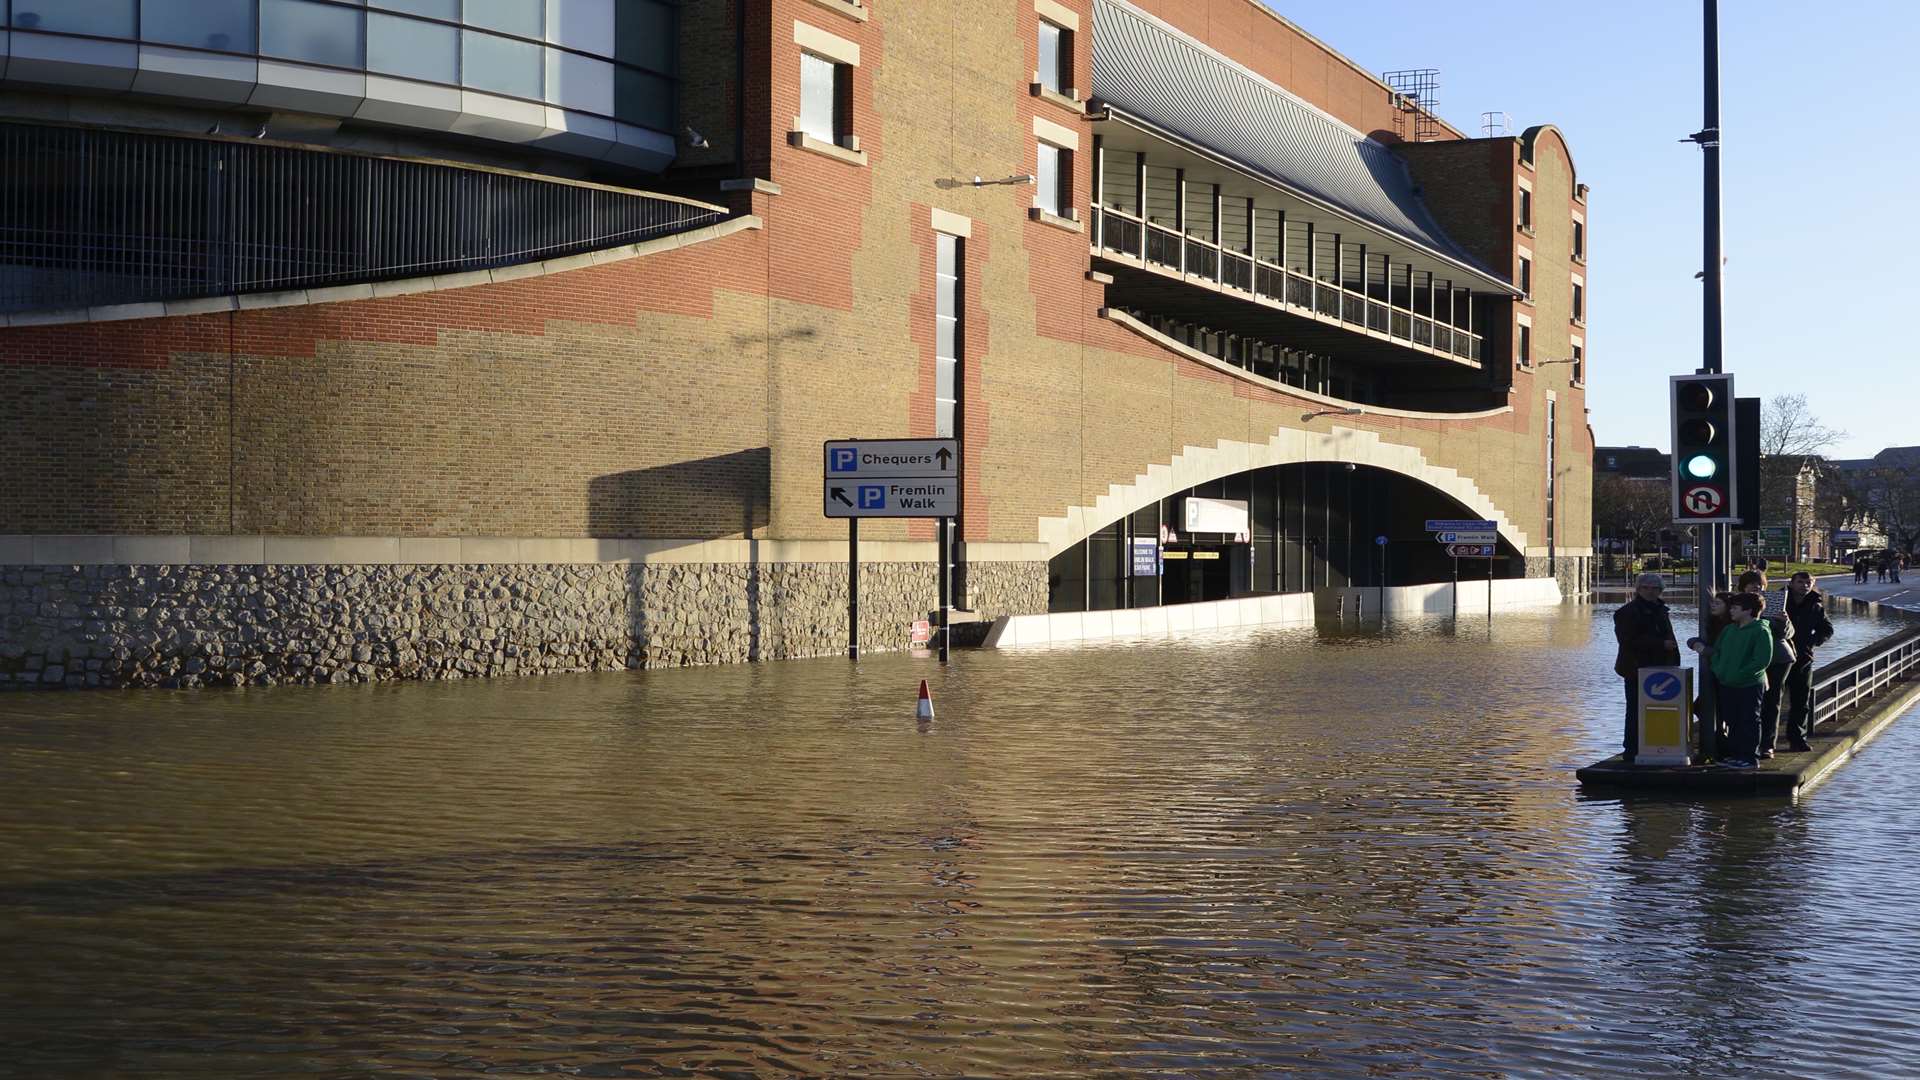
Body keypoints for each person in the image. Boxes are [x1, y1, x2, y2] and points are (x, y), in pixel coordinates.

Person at [1691, 592, 1773, 768]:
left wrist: (1739, 674)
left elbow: (1761, 661)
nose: (1731, 611)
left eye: (1735, 608)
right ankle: (1736, 755)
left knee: (1749, 720)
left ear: (1749, 610)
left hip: (1749, 684)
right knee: (1732, 720)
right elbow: (1718, 653)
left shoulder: (1761, 630)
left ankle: (1750, 758)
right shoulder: (1729, 630)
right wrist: (1721, 671)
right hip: (1727, 683)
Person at [1614, 573, 1680, 763]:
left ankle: (1655, 747)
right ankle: (1631, 750)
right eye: (1646, 588)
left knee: (1659, 710)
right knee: (1635, 710)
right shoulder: (1627, 612)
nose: (1651, 592)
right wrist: (1661, 645)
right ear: (1638, 589)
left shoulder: (1661, 609)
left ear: (1661, 591)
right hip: (1637, 669)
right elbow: (1627, 640)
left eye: (1655, 588)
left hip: (1662, 668)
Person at [1739, 570, 1794, 759]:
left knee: (1772, 702)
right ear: (1743, 586)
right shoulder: (1736, 604)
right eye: (1752, 584)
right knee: (1748, 703)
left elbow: (1788, 634)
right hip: (1747, 658)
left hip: (1777, 658)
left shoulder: (1773, 603)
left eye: (1760, 584)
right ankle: (1745, 743)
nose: (1757, 587)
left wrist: (1784, 622)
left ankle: (1767, 745)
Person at [1782, 571, 1835, 752]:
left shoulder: (1815, 604)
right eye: (1800, 582)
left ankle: (1797, 739)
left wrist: (1812, 642)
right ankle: (1767, 742)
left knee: (1801, 701)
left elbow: (1827, 629)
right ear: (1792, 583)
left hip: (1803, 658)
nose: (1805, 586)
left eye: (1808, 582)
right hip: (1778, 658)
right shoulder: (1780, 599)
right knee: (1771, 701)